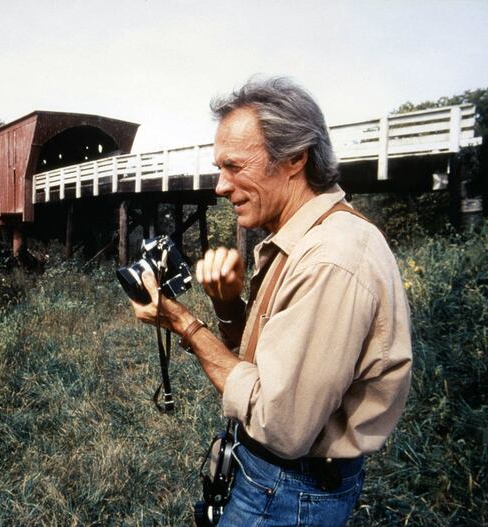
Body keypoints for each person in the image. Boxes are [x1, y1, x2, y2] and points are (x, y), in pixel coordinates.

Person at [130, 77, 412, 526]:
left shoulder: (330, 261)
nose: (221, 186)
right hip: (277, 481)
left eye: (235, 166)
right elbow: (274, 365)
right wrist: (226, 305)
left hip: (289, 492)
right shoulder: (309, 240)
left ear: (295, 158)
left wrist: (184, 323)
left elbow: (281, 425)